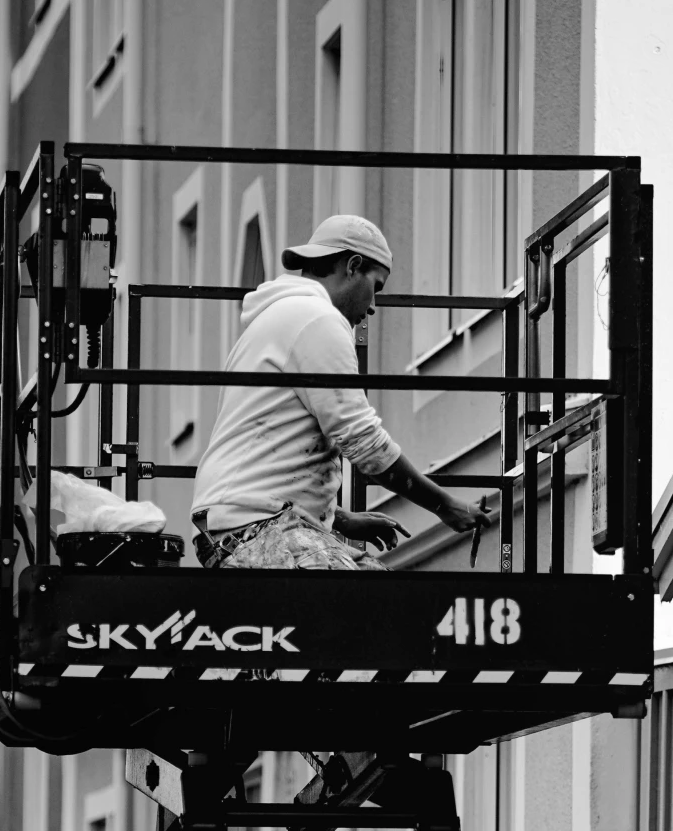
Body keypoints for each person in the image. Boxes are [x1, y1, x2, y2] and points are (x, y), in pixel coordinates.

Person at [190, 213, 490, 566]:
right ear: (353, 266)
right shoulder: (316, 320)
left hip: (242, 525)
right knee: (366, 610)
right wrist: (445, 505)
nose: (374, 307)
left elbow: (270, 456)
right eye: (375, 287)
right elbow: (365, 444)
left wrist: (339, 519)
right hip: (253, 530)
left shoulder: (284, 318)